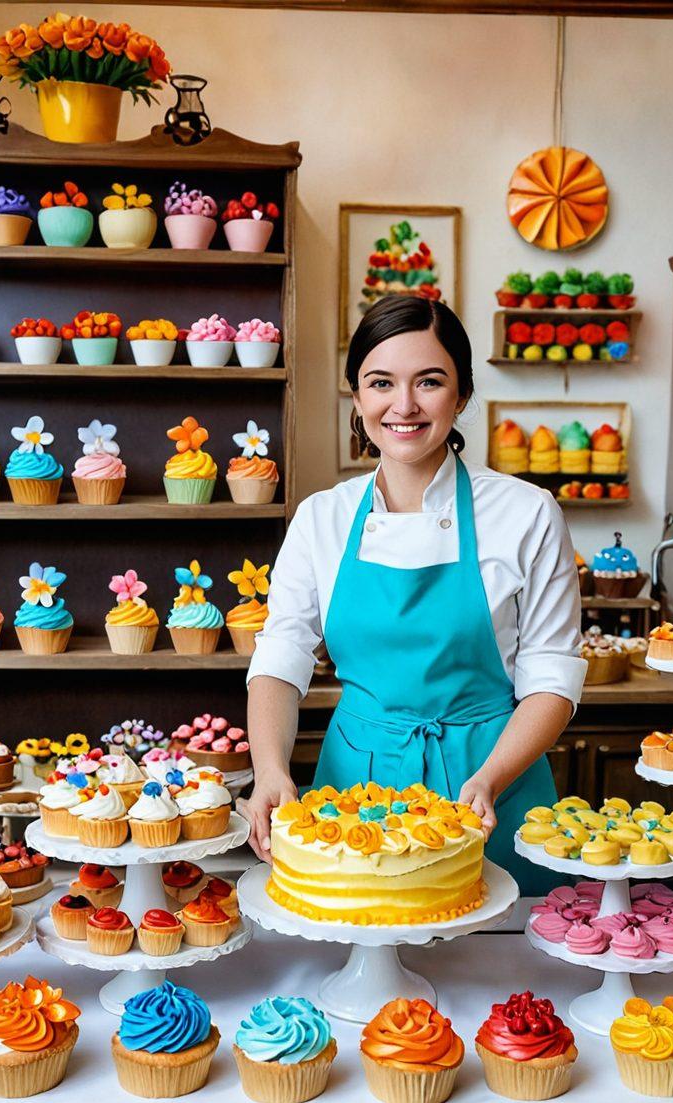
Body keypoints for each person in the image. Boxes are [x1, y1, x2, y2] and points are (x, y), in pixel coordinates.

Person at [241, 295, 586, 892]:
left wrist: (490, 778)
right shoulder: (322, 518)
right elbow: (280, 658)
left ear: (462, 394)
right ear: (357, 396)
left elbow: (552, 678)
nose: (403, 406)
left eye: (429, 381)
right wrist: (268, 768)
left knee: (500, 972)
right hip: (352, 800)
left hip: (494, 787)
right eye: (381, 383)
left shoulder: (527, 513)